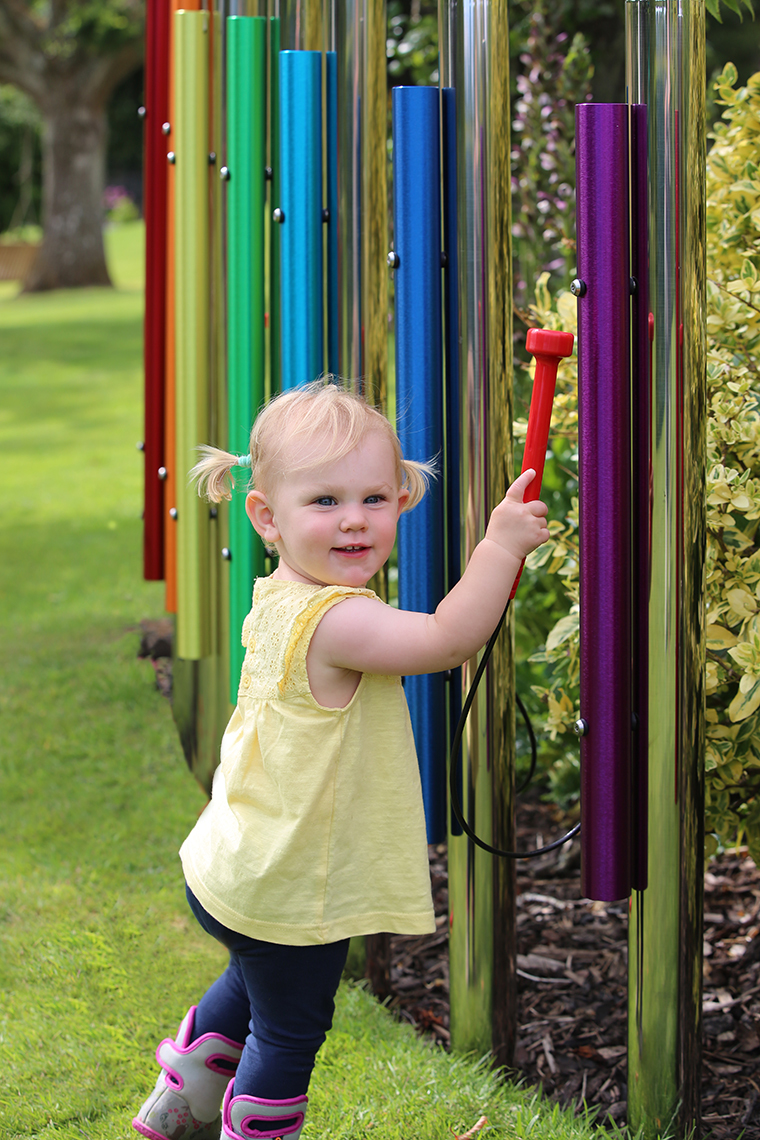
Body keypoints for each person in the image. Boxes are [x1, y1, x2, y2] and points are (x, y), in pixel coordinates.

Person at [133, 380, 549, 1140]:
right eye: (325, 501)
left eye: (374, 499)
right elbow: (449, 640)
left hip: (239, 869)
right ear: (268, 517)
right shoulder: (340, 619)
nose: (354, 520)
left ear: (401, 501)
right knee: (289, 1032)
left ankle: (181, 1101)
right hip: (291, 890)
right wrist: (499, 548)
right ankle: (248, 1127)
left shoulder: (282, 593)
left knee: (252, 984)